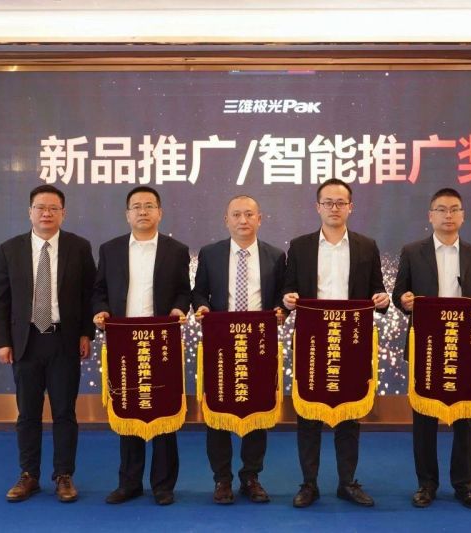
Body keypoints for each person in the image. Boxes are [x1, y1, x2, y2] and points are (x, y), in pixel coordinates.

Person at [282, 177, 390, 508]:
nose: (334, 208)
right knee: (308, 413)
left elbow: (377, 289)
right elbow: (287, 289)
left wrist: (382, 299)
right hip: (312, 342)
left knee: (349, 413)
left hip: (351, 340)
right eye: (328, 202)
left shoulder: (366, 246)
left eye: (340, 202)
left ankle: (347, 483)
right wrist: (288, 299)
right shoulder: (299, 246)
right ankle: (309, 484)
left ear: (350, 207)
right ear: (317, 207)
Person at [391, 187, 471, 511]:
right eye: (441, 209)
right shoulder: (413, 252)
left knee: (465, 419)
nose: (448, 215)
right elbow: (399, 294)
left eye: (454, 209)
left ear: (463, 216)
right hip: (427, 348)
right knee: (424, 419)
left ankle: (463, 485)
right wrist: (404, 301)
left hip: (465, 348)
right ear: (430, 216)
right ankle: (426, 484)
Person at [0, 184, 96, 503]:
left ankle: (63, 475)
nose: (46, 213)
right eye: (40, 207)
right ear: (30, 212)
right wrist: (2, 341)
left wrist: (86, 334)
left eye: (53, 208)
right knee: (28, 413)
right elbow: (0, 300)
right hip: (25, 343)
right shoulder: (10, 249)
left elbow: (89, 295)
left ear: (63, 213)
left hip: (64, 341)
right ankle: (29, 475)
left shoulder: (79, 247)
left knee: (64, 412)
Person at [92, 185, 191, 506]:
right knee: (129, 410)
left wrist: (178, 308)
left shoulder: (176, 250)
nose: (143, 211)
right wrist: (101, 310)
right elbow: (99, 290)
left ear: (160, 213)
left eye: (149, 206)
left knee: (164, 412)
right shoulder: (110, 249)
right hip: (123, 341)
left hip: (162, 341)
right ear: (127, 215)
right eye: (136, 206)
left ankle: (163, 485)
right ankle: (129, 483)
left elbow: (184, 291)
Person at [192, 195, 286, 505]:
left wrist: (281, 310)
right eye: (236, 215)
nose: (243, 220)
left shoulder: (276, 255)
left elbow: (282, 295)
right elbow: (199, 293)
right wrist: (202, 307)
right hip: (221, 345)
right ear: (226, 220)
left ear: (260, 219)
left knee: (257, 410)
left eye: (249, 214)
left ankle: (251, 476)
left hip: (258, 345)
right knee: (218, 413)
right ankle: (222, 479)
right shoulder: (211, 254)